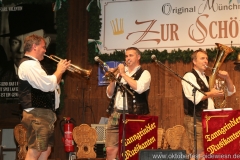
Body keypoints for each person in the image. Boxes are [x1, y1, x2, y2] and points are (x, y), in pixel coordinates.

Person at [18, 34, 70, 160]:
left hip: (43, 113)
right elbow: (47, 85)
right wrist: (59, 70)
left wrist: (60, 73)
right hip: (37, 114)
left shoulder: (35, 65)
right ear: (35, 47)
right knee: (36, 150)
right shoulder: (29, 65)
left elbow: (51, 84)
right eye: (43, 47)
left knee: (45, 150)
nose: (45, 50)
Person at [181, 49, 236, 160]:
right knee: (199, 152)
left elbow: (231, 91)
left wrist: (227, 78)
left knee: (209, 152)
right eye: (202, 58)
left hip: (210, 120)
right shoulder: (188, 76)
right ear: (194, 61)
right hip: (195, 120)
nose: (206, 61)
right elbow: (195, 97)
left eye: (206, 59)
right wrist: (211, 93)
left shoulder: (208, 78)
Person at [105, 47, 151, 160]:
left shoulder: (145, 73)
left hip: (134, 115)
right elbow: (110, 94)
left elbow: (139, 88)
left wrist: (123, 74)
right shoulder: (118, 74)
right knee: (110, 149)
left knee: (133, 149)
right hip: (116, 114)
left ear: (138, 57)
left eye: (131, 55)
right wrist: (112, 80)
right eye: (126, 56)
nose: (128, 58)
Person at [0, 3, 55, 82]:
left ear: (46, 42)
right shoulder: (2, 75)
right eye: (15, 42)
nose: (21, 50)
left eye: (30, 42)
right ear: (9, 44)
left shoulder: (54, 74)